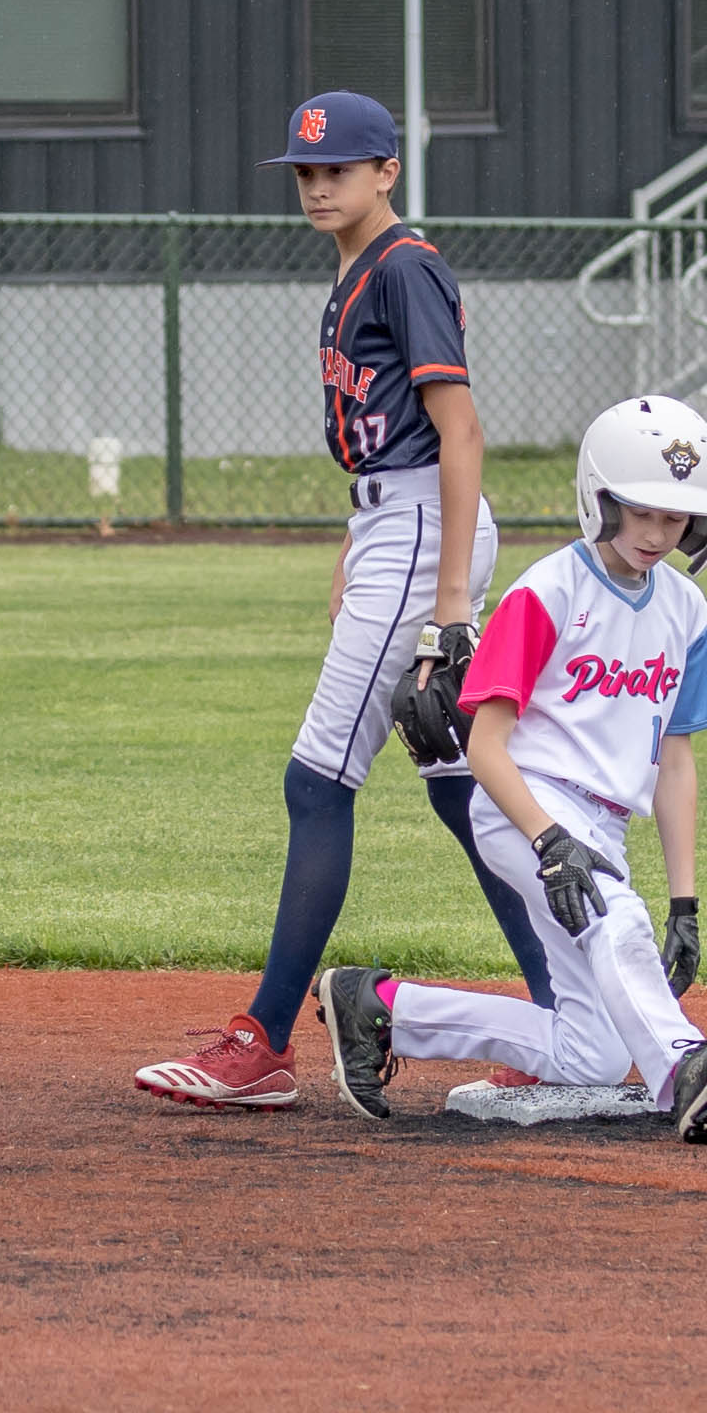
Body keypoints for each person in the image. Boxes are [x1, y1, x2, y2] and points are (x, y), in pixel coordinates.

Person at [135, 91, 553, 1110]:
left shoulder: (403, 265)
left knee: (318, 779)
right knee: (463, 786)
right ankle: (568, 1017)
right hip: (392, 527)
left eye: (339, 169)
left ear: (385, 172)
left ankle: (263, 1041)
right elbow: (387, 437)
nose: (319, 186)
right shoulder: (357, 266)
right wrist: (354, 546)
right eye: (306, 172)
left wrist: (446, 601)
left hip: (420, 532)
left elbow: (459, 431)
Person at [309, 396, 707, 1144]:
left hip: (602, 826)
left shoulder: (687, 612)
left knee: (593, 1054)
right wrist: (548, 839)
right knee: (614, 915)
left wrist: (685, 903)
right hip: (524, 804)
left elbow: (675, 761)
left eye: (676, 518)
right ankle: (685, 1066)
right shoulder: (548, 592)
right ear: (600, 499)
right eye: (640, 512)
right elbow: (485, 748)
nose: (657, 534)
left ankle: (382, 1008)